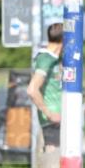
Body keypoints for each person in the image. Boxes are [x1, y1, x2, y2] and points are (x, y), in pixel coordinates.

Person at [27, 22, 63, 150]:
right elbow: (32, 90)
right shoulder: (45, 59)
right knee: (53, 160)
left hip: (60, 118)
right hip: (53, 120)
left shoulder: (55, 59)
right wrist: (49, 114)